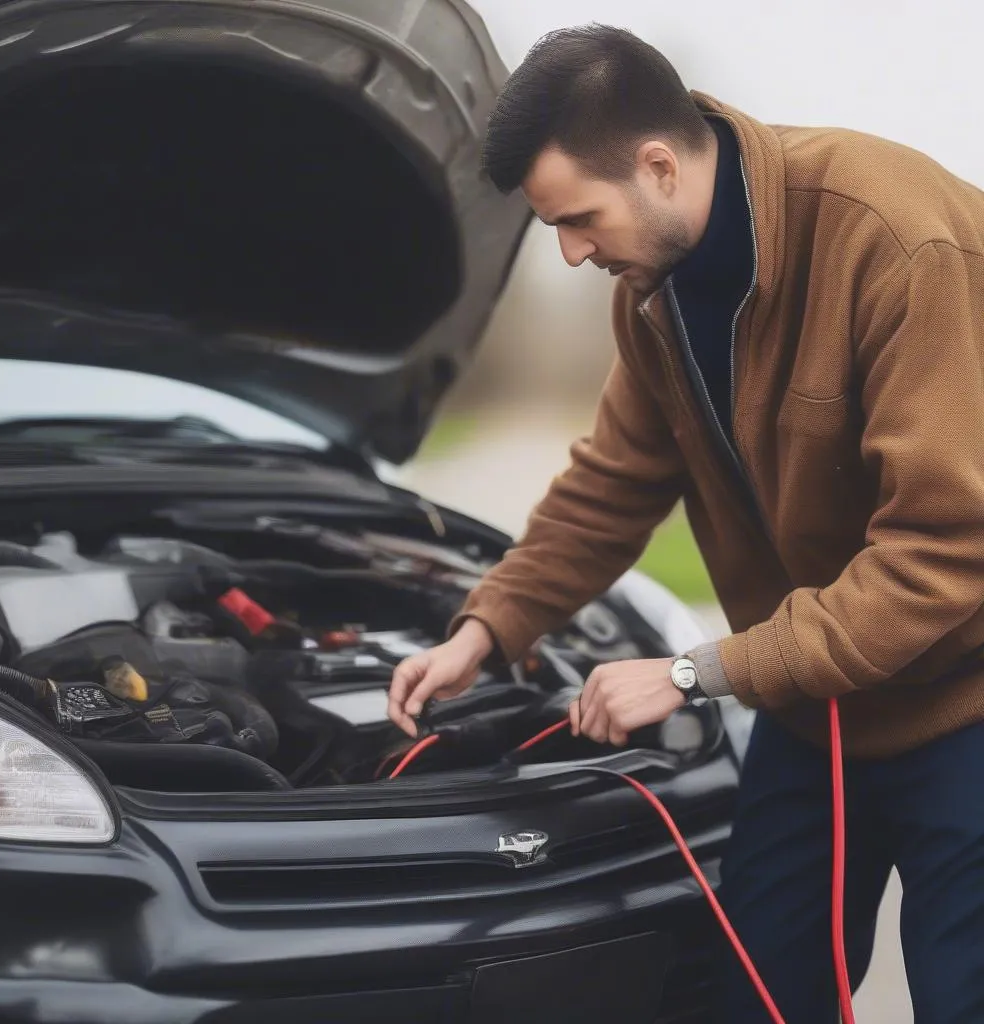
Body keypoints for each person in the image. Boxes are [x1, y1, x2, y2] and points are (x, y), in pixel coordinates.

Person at [386, 23, 984, 1024]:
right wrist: (487, 627)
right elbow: (610, 484)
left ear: (658, 165)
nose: (572, 253)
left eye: (578, 218)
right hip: (815, 712)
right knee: (755, 995)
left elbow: (947, 551)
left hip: (962, 708)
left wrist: (689, 672)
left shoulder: (896, 242)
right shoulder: (652, 293)